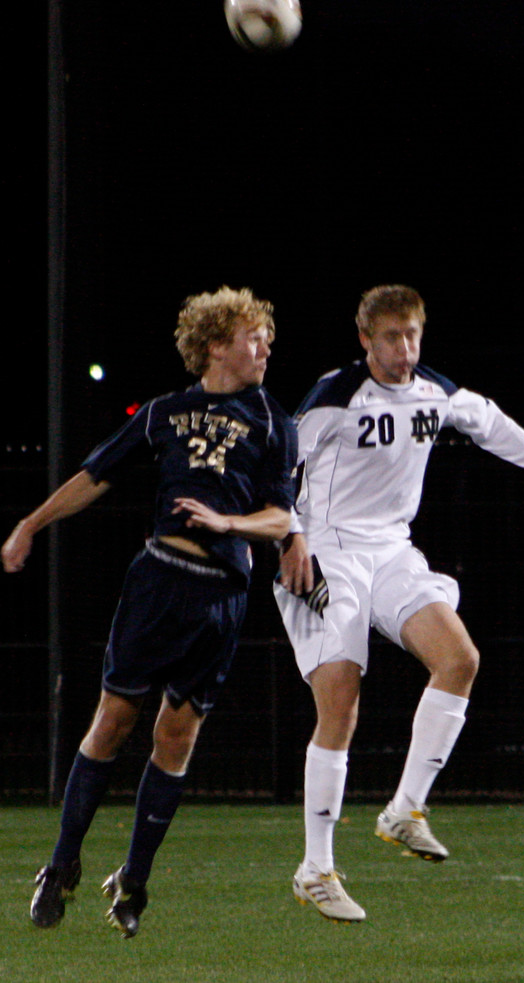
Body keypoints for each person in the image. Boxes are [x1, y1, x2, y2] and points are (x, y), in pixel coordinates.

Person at [273, 283, 524, 924]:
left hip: (392, 552)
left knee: (459, 658)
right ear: (365, 340)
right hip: (328, 552)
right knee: (341, 698)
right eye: (389, 337)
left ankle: (404, 810)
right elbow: (282, 464)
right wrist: (291, 538)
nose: (403, 349)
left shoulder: (436, 392)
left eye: (411, 335)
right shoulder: (334, 397)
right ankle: (315, 869)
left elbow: (494, 427)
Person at [2, 286, 297, 938]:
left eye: (267, 338)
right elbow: (96, 473)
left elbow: (282, 515)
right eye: (254, 336)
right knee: (111, 721)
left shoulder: (276, 420)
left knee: (176, 737)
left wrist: (228, 519)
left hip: (222, 594)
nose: (265, 346)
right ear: (216, 344)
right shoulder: (165, 411)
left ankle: (133, 878)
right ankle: (59, 865)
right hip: (159, 580)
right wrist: (30, 522)